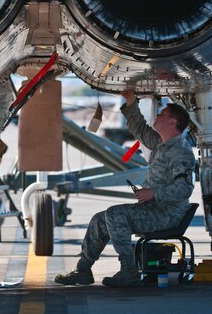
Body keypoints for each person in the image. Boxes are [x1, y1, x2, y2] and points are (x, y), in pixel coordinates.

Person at [54, 89, 196, 287]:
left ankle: (128, 270)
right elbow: (140, 130)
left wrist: (154, 193)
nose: (157, 116)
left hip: (168, 215)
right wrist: (131, 104)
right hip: (154, 210)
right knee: (99, 220)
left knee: (115, 214)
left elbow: (185, 189)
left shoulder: (181, 152)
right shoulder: (161, 143)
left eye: (162, 114)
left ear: (173, 122)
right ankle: (83, 270)